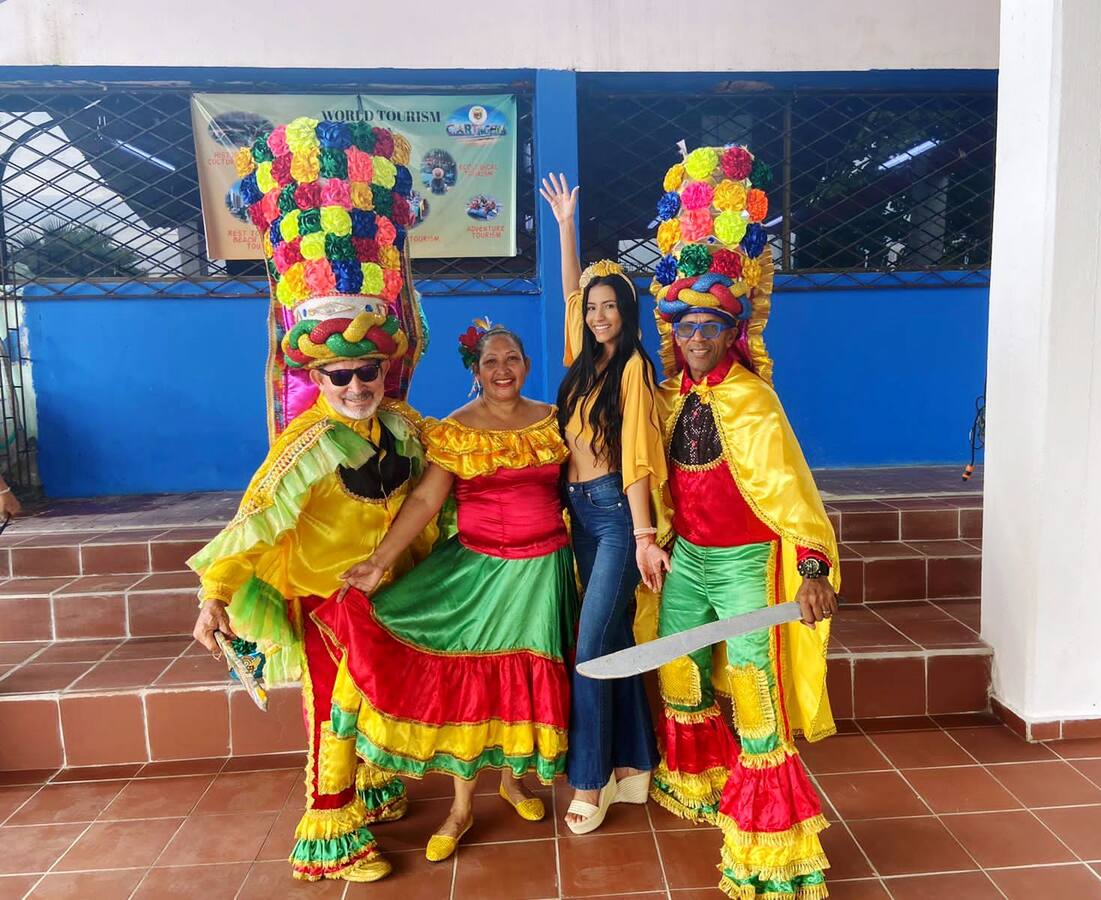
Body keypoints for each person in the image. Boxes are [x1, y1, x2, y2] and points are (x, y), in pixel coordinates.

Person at [188, 116, 431, 884]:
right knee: (336, 705)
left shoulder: (406, 428)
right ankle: (329, 830)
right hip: (324, 595)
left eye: (369, 372)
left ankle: (374, 787)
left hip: (388, 588)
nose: (359, 387)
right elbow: (253, 524)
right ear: (316, 380)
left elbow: (447, 488)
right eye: (342, 377)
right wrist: (214, 596)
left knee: (374, 696)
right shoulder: (304, 446)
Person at [645, 145, 841, 900]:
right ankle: (700, 784)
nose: (696, 336)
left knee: (757, 695)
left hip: (746, 563)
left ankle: (772, 857)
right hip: (685, 558)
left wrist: (815, 570)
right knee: (679, 671)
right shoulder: (666, 399)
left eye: (710, 326)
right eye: (685, 325)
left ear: (732, 332)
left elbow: (793, 495)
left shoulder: (753, 401)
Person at [316, 322, 576, 863]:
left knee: (522, 677)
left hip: (544, 572)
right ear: (475, 372)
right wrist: (378, 562)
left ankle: (513, 781)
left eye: (511, 359)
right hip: (478, 575)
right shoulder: (457, 429)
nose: (502, 370)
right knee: (474, 681)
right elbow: (425, 503)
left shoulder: (555, 422)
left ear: (526, 365)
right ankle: (461, 809)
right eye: (490, 363)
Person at [540, 173, 669, 833]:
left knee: (590, 647)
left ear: (627, 309)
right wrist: (565, 225)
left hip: (618, 520)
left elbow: (641, 456)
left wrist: (645, 537)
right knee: (612, 636)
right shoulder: (582, 364)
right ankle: (635, 766)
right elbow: (568, 295)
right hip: (579, 518)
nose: (596, 315)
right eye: (592, 308)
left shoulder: (634, 371)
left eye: (608, 306)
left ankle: (588, 780)